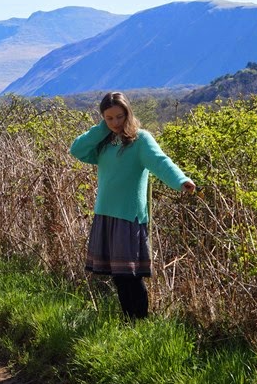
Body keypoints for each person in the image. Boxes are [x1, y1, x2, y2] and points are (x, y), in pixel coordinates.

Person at [69, 91, 195, 320]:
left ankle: (140, 323)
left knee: (131, 275)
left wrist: (181, 180)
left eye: (119, 116)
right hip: (106, 215)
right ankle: (129, 322)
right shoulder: (104, 142)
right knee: (119, 276)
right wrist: (102, 129)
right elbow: (76, 149)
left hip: (129, 217)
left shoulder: (140, 140)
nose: (116, 122)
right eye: (109, 118)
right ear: (103, 119)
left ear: (128, 113)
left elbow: (160, 162)